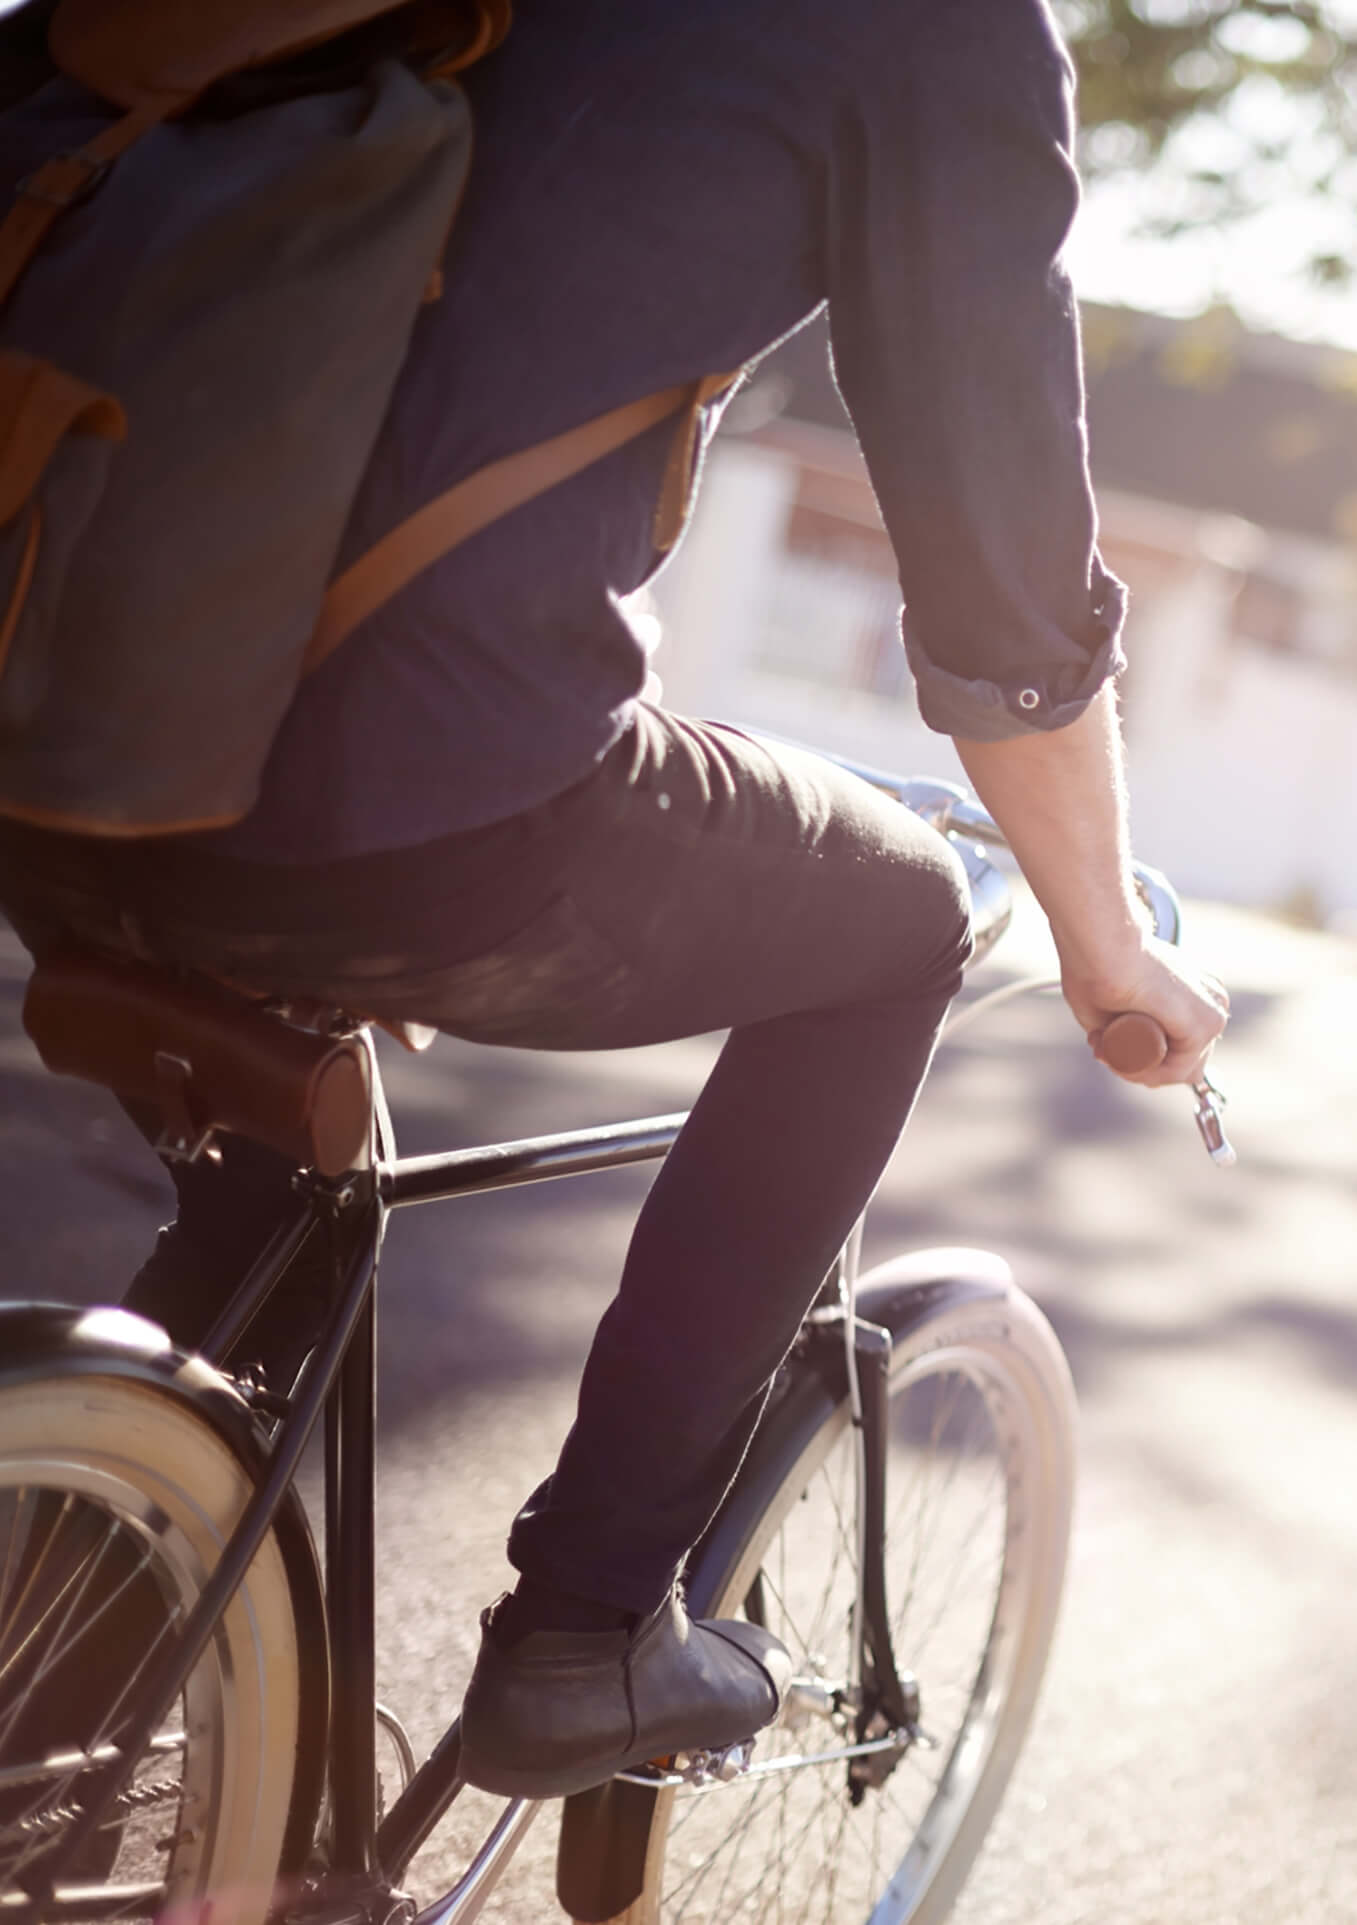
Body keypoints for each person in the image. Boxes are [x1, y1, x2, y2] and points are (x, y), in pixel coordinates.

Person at [0, 0, 1226, 1798]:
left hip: (58, 750)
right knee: (888, 923)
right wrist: (1106, 940)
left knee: (286, 1104)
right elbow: (1006, 582)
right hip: (392, 800)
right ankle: (588, 1627)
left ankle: (61, 1681)